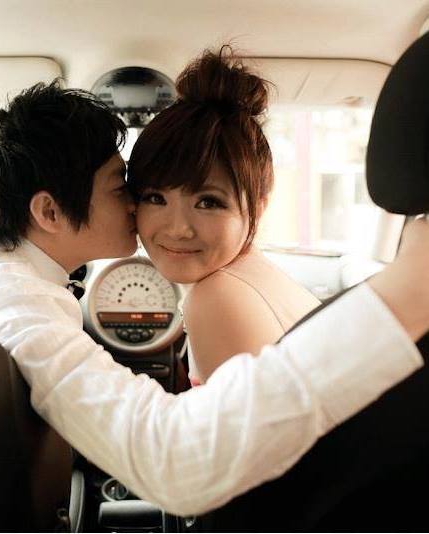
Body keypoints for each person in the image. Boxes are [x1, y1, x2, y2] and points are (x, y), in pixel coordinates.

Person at [0, 79, 428, 516]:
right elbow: (172, 460)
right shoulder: (15, 304)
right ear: (49, 212)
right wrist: (404, 294)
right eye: (125, 189)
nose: (139, 208)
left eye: (208, 201)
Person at [127, 48, 320, 385]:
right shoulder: (253, 276)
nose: (178, 229)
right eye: (155, 198)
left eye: (208, 202)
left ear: (259, 205)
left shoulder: (216, 298)